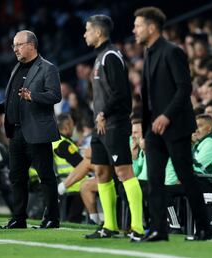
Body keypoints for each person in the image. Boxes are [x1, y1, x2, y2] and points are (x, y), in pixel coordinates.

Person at [133, 6, 212, 241]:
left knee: (186, 177)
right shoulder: (148, 54)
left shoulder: (172, 52)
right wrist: (147, 127)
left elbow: (184, 88)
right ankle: (159, 229)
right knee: (154, 181)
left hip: (175, 126)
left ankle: (204, 229)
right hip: (154, 131)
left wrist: (166, 115)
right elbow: (147, 98)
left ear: (151, 27)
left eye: (137, 26)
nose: (134, 30)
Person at [0, 30, 61, 229]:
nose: (15, 49)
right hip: (16, 132)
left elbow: (55, 96)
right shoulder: (17, 68)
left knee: (46, 176)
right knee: (16, 177)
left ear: (32, 45)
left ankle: (51, 218)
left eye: (19, 44)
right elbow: (14, 98)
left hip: (37, 131)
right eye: (14, 45)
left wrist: (34, 96)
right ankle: (18, 218)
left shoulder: (47, 68)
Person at [83, 15, 144, 241]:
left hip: (114, 123)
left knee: (123, 171)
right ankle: (109, 225)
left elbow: (121, 92)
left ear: (99, 33)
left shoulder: (111, 56)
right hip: (100, 125)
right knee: (100, 172)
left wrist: (103, 113)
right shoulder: (100, 56)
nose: (85, 34)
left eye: (87, 30)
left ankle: (137, 227)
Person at [52, 113, 85, 223]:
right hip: (75, 183)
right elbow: (81, 164)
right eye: (72, 124)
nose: (74, 127)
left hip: (63, 181)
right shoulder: (64, 144)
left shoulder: (54, 141)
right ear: (66, 126)